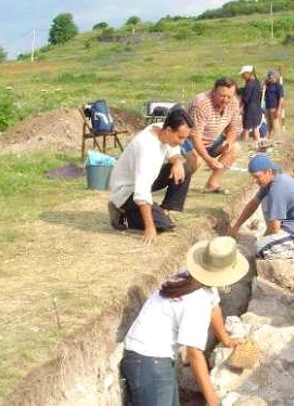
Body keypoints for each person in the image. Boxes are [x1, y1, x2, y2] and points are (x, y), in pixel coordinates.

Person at [121, 236, 249, 406]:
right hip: (148, 361)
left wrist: (225, 339)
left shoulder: (192, 278)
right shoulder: (197, 301)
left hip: (155, 358)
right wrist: (213, 401)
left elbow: (214, 307)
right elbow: (194, 355)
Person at [107, 108, 192, 245]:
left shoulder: (161, 129)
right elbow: (142, 191)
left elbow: (174, 152)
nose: (183, 142)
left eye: (185, 138)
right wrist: (150, 227)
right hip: (127, 191)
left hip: (142, 179)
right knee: (163, 225)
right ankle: (121, 212)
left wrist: (177, 161)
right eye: (180, 137)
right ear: (169, 130)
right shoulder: (146, 149)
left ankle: (165, 210)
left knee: (184, 168)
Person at [227, 153, 294, 261]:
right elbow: (254, 203)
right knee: (264, 200)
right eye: (253, 177)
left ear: (268, 172)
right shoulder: (273, 180)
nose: (254, 181)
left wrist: (264, 241)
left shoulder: (277, 189)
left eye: (257, 177)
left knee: (259, 249)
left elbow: (274, 228)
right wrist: (236, 227)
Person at [182, 77, 242, 193]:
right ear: (214, 91)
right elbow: (195, 136)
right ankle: (176, 185)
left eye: (229, 96)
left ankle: (212, 184)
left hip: (212, 141)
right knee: (197, 160)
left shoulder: (234, 102)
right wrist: (208, 159)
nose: (225, 100)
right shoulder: (201, 103)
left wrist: (228, 141)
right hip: (189, 141)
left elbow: (233, 128)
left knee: (235, 148)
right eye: (222, 96)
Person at [238, 65, 262, 142]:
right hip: (257, 106)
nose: (242, 76)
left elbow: (246, 97)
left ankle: (244, 142)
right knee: (255, 126)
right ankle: (258, 141)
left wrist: (241, 106)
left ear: (248, 73)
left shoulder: (249, 84)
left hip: (250, 107)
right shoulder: (256, 82)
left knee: (246, 127)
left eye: (243, 74)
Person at [263, 69, 284, 139]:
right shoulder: (267, 85)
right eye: (269, 77)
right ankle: (268, 137)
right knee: (268, 124)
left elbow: (281, 98)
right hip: (267, 107)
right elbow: (261, 90)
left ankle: (278, 138)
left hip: (274, 107)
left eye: (271, 78)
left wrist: (278, 109)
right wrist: (264, 84)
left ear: (275, 77)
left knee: (275, 124)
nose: (270, 79)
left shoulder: (278, 85)